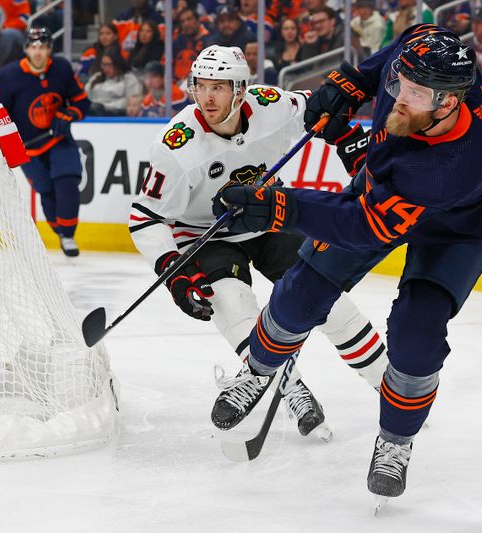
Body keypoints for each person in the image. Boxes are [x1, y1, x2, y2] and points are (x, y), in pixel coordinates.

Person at [212, 24, 482, 503]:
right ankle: (259, 370)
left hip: (457, 227)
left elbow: (361, 225)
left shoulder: (452, 167)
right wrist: (354, 80)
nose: (397, 98)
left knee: (418, 336)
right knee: (299, 296)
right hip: (392, 192)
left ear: (448, 102)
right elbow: (407, 44)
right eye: (398, 85)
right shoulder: (436, 70)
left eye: (412, 94)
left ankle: (395, 441)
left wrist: (279, 206)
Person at [129, 45, 389, 437]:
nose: (208, 97)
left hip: (266, 216)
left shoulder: (270, 105)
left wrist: (349, 139)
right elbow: (145, 217)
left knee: (331, 304)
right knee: (234, 306)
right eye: (201, 86)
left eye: (219, 87)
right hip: (205, 234)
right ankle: (292, 389)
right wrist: (174, 274)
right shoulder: (176, 147)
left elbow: (322, 110)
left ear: (241, 90)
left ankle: (393, 389)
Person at [0, 27, 90, 257]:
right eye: (33, 47)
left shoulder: (61, 68)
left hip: (58, 139)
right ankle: (62, 233)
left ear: (50, 49)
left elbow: (82, 103)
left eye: (42, 47)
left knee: (67, 180)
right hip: (26, 148)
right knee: (47, 190)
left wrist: (69, 114)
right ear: (26, 50)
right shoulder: (9, 76)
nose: (38, 52)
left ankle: (68, 234)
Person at [85, 51, 143, 116]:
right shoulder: (96, 77)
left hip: (116, 114)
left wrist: (104, 106)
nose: (105, 68)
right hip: (92, 112)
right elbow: (86, 95)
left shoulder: (129, 79)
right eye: (103, 64)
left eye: (109, 65)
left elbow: (133, 102)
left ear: (117, 64)